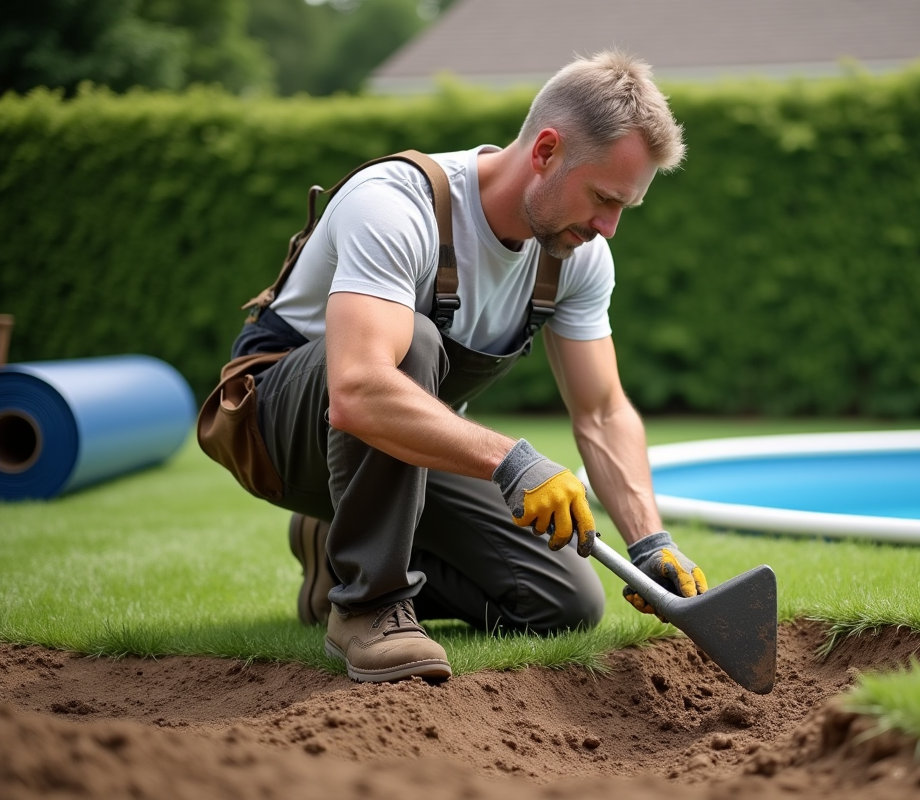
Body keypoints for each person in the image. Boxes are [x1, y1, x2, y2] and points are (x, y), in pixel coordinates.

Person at [228, 50, 707, 683]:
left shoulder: (576, 256)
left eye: (625, 208)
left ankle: (332, 558)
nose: (609, 227)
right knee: (414, 344)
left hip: (399, 452)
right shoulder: (397, 205)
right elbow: (358, 389)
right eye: (602, 198)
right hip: (275, 432)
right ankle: (368, 606)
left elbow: (601, 411)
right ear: (546, 151)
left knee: (562, 602)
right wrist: (513, 461)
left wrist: (650, 543)